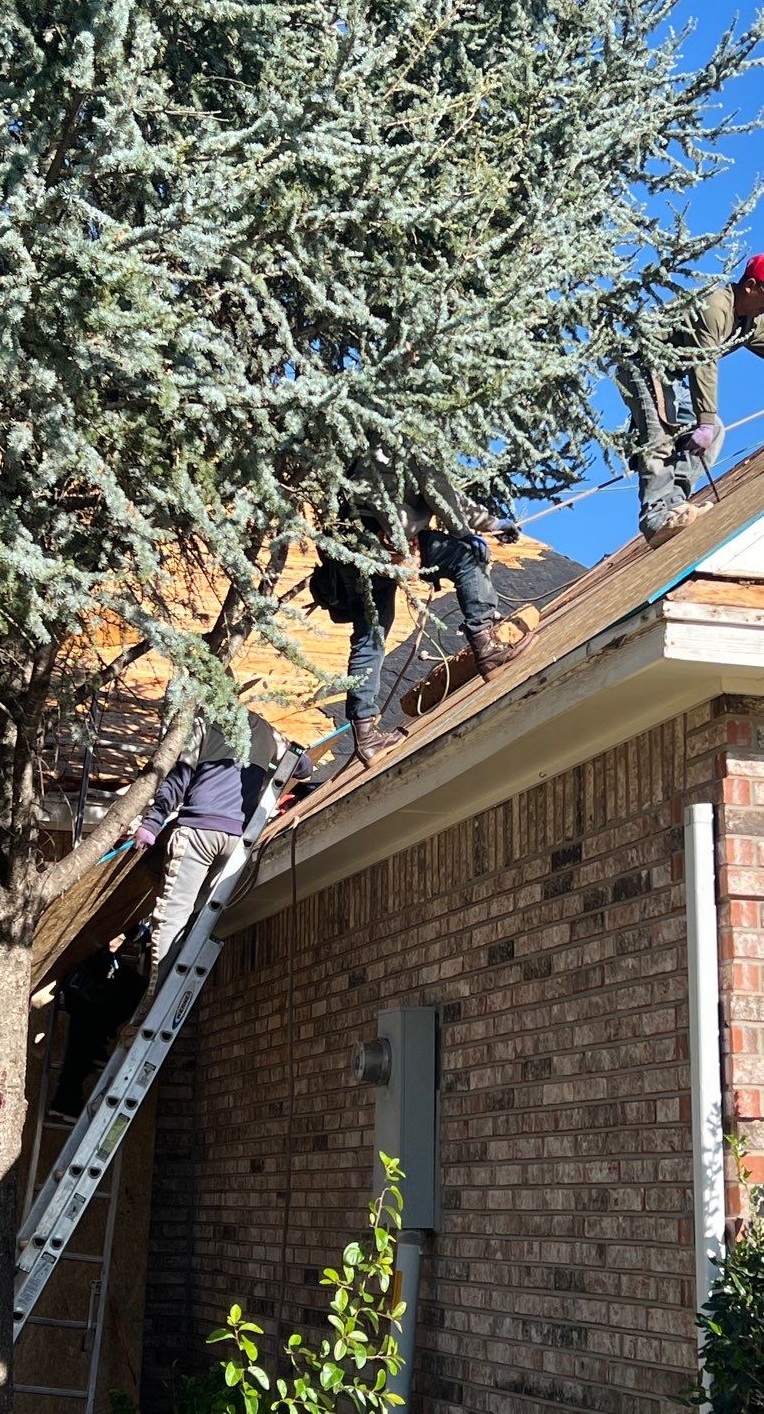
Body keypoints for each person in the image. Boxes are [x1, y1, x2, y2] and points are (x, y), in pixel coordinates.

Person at [343, 454, 536, 769]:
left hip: (350, 547)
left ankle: (366, 736)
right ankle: (486, 648)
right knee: (466, 558)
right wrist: (468, 533)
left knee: (370, 636)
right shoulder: (405, 438)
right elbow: (440, 492)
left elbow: (445, 495)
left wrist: (492, 524)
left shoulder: (362, 451)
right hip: (388, 539)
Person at [131, 712, 313, 1005]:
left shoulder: (202, 724)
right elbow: (302, 766)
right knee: (198, 913)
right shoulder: (264, 728)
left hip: (199, 832)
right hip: (237, 841)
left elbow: (178, 778)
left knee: (173, 915)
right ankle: (176, 990)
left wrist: (152, 823)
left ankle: (157, 1000)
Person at [618, 255, 764, 548]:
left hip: (671, 377)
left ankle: (675, 502)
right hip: (642, 364)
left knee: (716, 430)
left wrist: (708, 425)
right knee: (660, 434)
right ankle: (655, 516)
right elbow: (703, 364)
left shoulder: (751, 321)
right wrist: (703, 422)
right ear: (750, 286)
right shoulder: (714, 306)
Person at [49, 928, 148, 1121]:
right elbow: (131, 931)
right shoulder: (99, 944)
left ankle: (65, 1101)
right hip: (87, 990)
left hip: (89, 989)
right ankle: (64, 1103)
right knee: (80, 1049)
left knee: (82, 1048)